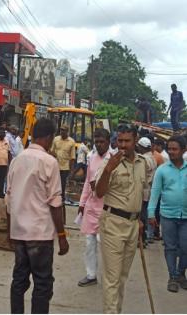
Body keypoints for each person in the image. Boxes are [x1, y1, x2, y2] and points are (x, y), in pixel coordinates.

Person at [6, 118, 69, 314]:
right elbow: (55, 203)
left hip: (19, 232)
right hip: (40, 234)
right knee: (42, 284)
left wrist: (10, 230)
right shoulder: (49, 162)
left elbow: (9, 199)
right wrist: (62, 235)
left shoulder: (17, 160)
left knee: (19, 280)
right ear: (49, 137)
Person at [95, 124, 147, 314]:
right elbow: (99, 193)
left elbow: (140, 195)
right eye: (120, 141)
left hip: (133, 225)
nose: (122, 145)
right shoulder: (109, 163)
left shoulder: (143, 163)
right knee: (112, 279)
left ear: (135, 141)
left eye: (127, 141)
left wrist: (139, 220)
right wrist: (108, 170)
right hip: (113, 224)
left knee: (122, 277)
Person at [148, 135, 187, 293]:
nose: (171, 152)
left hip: (186, 216)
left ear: (184, 150)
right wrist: (151, 213)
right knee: (170, 247)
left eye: (175, 149)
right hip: (168, 216)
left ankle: (181, 273)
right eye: (169, 149)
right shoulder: (162, 170)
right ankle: (173, 276)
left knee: (185, 247)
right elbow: (155, 192)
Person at [77, 128, 111, 287]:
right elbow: (87, 182)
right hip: (91, 206)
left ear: (108, 141)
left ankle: (109, 276)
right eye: (96, 141)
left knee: (104, 243)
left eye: (101, 141)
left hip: (107, 207)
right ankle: (91, 274)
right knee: (89, 243)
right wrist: (82, 204)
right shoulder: (91, 157)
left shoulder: (114, 159)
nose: (99, 144)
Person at [51, 125, 75, 223]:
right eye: (61, 130)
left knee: (61, 192)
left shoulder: (71, 142)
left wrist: (71, 172)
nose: (62, 132)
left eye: (64, 130)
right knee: (53, 189)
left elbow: (72, 158)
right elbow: (51, 151)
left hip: (64, 169)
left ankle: (61, 217)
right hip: (55, 168)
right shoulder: (56, 139)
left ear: (67, 131)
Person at [137, 137, 157, 246]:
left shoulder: (144, 159)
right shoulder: (152, 157)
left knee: (141, 216)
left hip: (143, 191)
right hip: (148, 191)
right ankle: (144, 237)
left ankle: (142, 239)